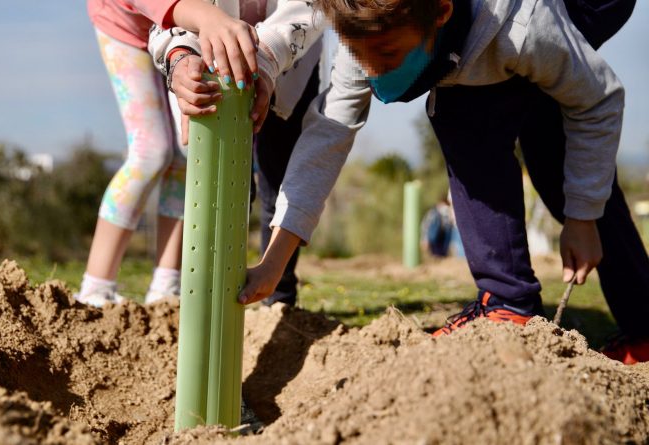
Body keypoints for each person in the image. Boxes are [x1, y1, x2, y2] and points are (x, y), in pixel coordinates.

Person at [237, 0, 649, 364]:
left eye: (385, 52)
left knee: (533, 137)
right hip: (475, 36)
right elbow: (328, 136)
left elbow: (597, 99)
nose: (372, 69)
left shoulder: (525, 29)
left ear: (441, 12)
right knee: (481, 114)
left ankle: (612, 323)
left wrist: (582, 216)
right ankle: (512, 305)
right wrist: (274, 262)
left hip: (582, 5)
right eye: (360, 54)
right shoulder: (363, 26)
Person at [78, 0, 264, 306]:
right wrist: (208, 17)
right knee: (151, 151)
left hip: (180, 30)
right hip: (127, 24)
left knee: (184, 151)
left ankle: (167, 284)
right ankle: (95, 288)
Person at [148, 0, 326, 306]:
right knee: (228, 181)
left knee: (280, 178)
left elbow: (311, 8)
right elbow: (166, 9)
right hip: (206, 54)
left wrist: (267, 60)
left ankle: (279, 298)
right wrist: (180, 55)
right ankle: (214, 296)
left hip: (293, 54)